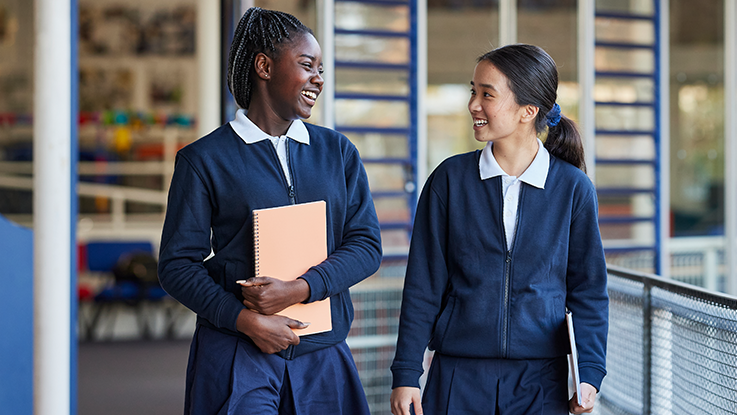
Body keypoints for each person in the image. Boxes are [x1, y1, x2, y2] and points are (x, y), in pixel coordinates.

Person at [157, 8, 382, 414]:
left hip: (322, 353)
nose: (319, 78)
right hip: (237, 351)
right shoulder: (203, 160)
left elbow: (365, 245)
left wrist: (299, 289)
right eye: (306, 65)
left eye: (321, 69)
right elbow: (177, 265)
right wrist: (244, 320)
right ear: (264, 66)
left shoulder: (337, 153)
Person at [389, 44, 608, 415]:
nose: (474, 104)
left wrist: (588, 373)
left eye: (487, 94)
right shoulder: (449, 180)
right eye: (472, 92)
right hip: (457, 375)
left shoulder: (572, 188)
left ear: (528, 111)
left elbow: (588, 290)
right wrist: (407, 371)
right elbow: (423, 285)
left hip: (542, 382)